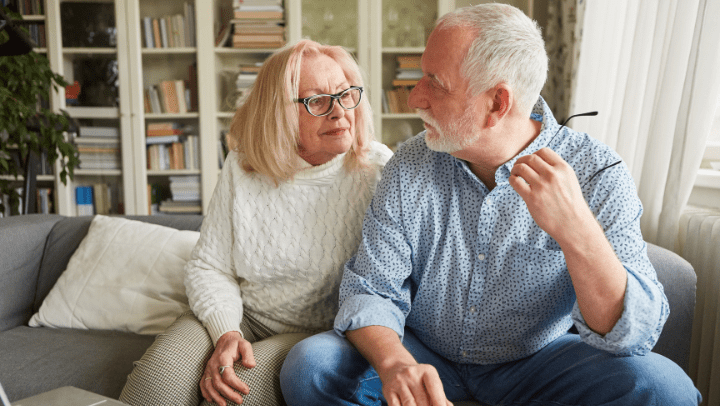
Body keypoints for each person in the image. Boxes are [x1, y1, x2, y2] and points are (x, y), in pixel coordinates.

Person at [279, 4, 701, 406]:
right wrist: (396, 365)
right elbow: (371, 290)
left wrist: (577, 231)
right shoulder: (410, 164)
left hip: (541, 360)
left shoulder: (596, 172)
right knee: (310, 368)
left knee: (667, 390)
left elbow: (634, 333)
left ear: (497, 103)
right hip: (425, 351)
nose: (415, 98)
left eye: (434, 83)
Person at [118, 39, 392, 406]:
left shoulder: (378, 169)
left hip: (318, 334)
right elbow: (209, 266)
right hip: (244, 315)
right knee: (155, 386)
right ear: (279, 112)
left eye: (346, 95)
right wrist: (226, 332)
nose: (340, 112)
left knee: (231, 397)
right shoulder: (243, 165)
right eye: (318, 100)